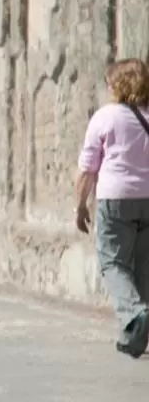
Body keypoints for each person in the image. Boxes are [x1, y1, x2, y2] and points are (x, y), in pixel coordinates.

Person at [76, 58, 149, 358]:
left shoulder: (105, 117)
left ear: (117, 85)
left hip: (115, 198)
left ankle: (135, 314)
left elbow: (88, 168)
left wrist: (80, 205)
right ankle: (133, 337)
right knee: (142, 266)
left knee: (113, 264)